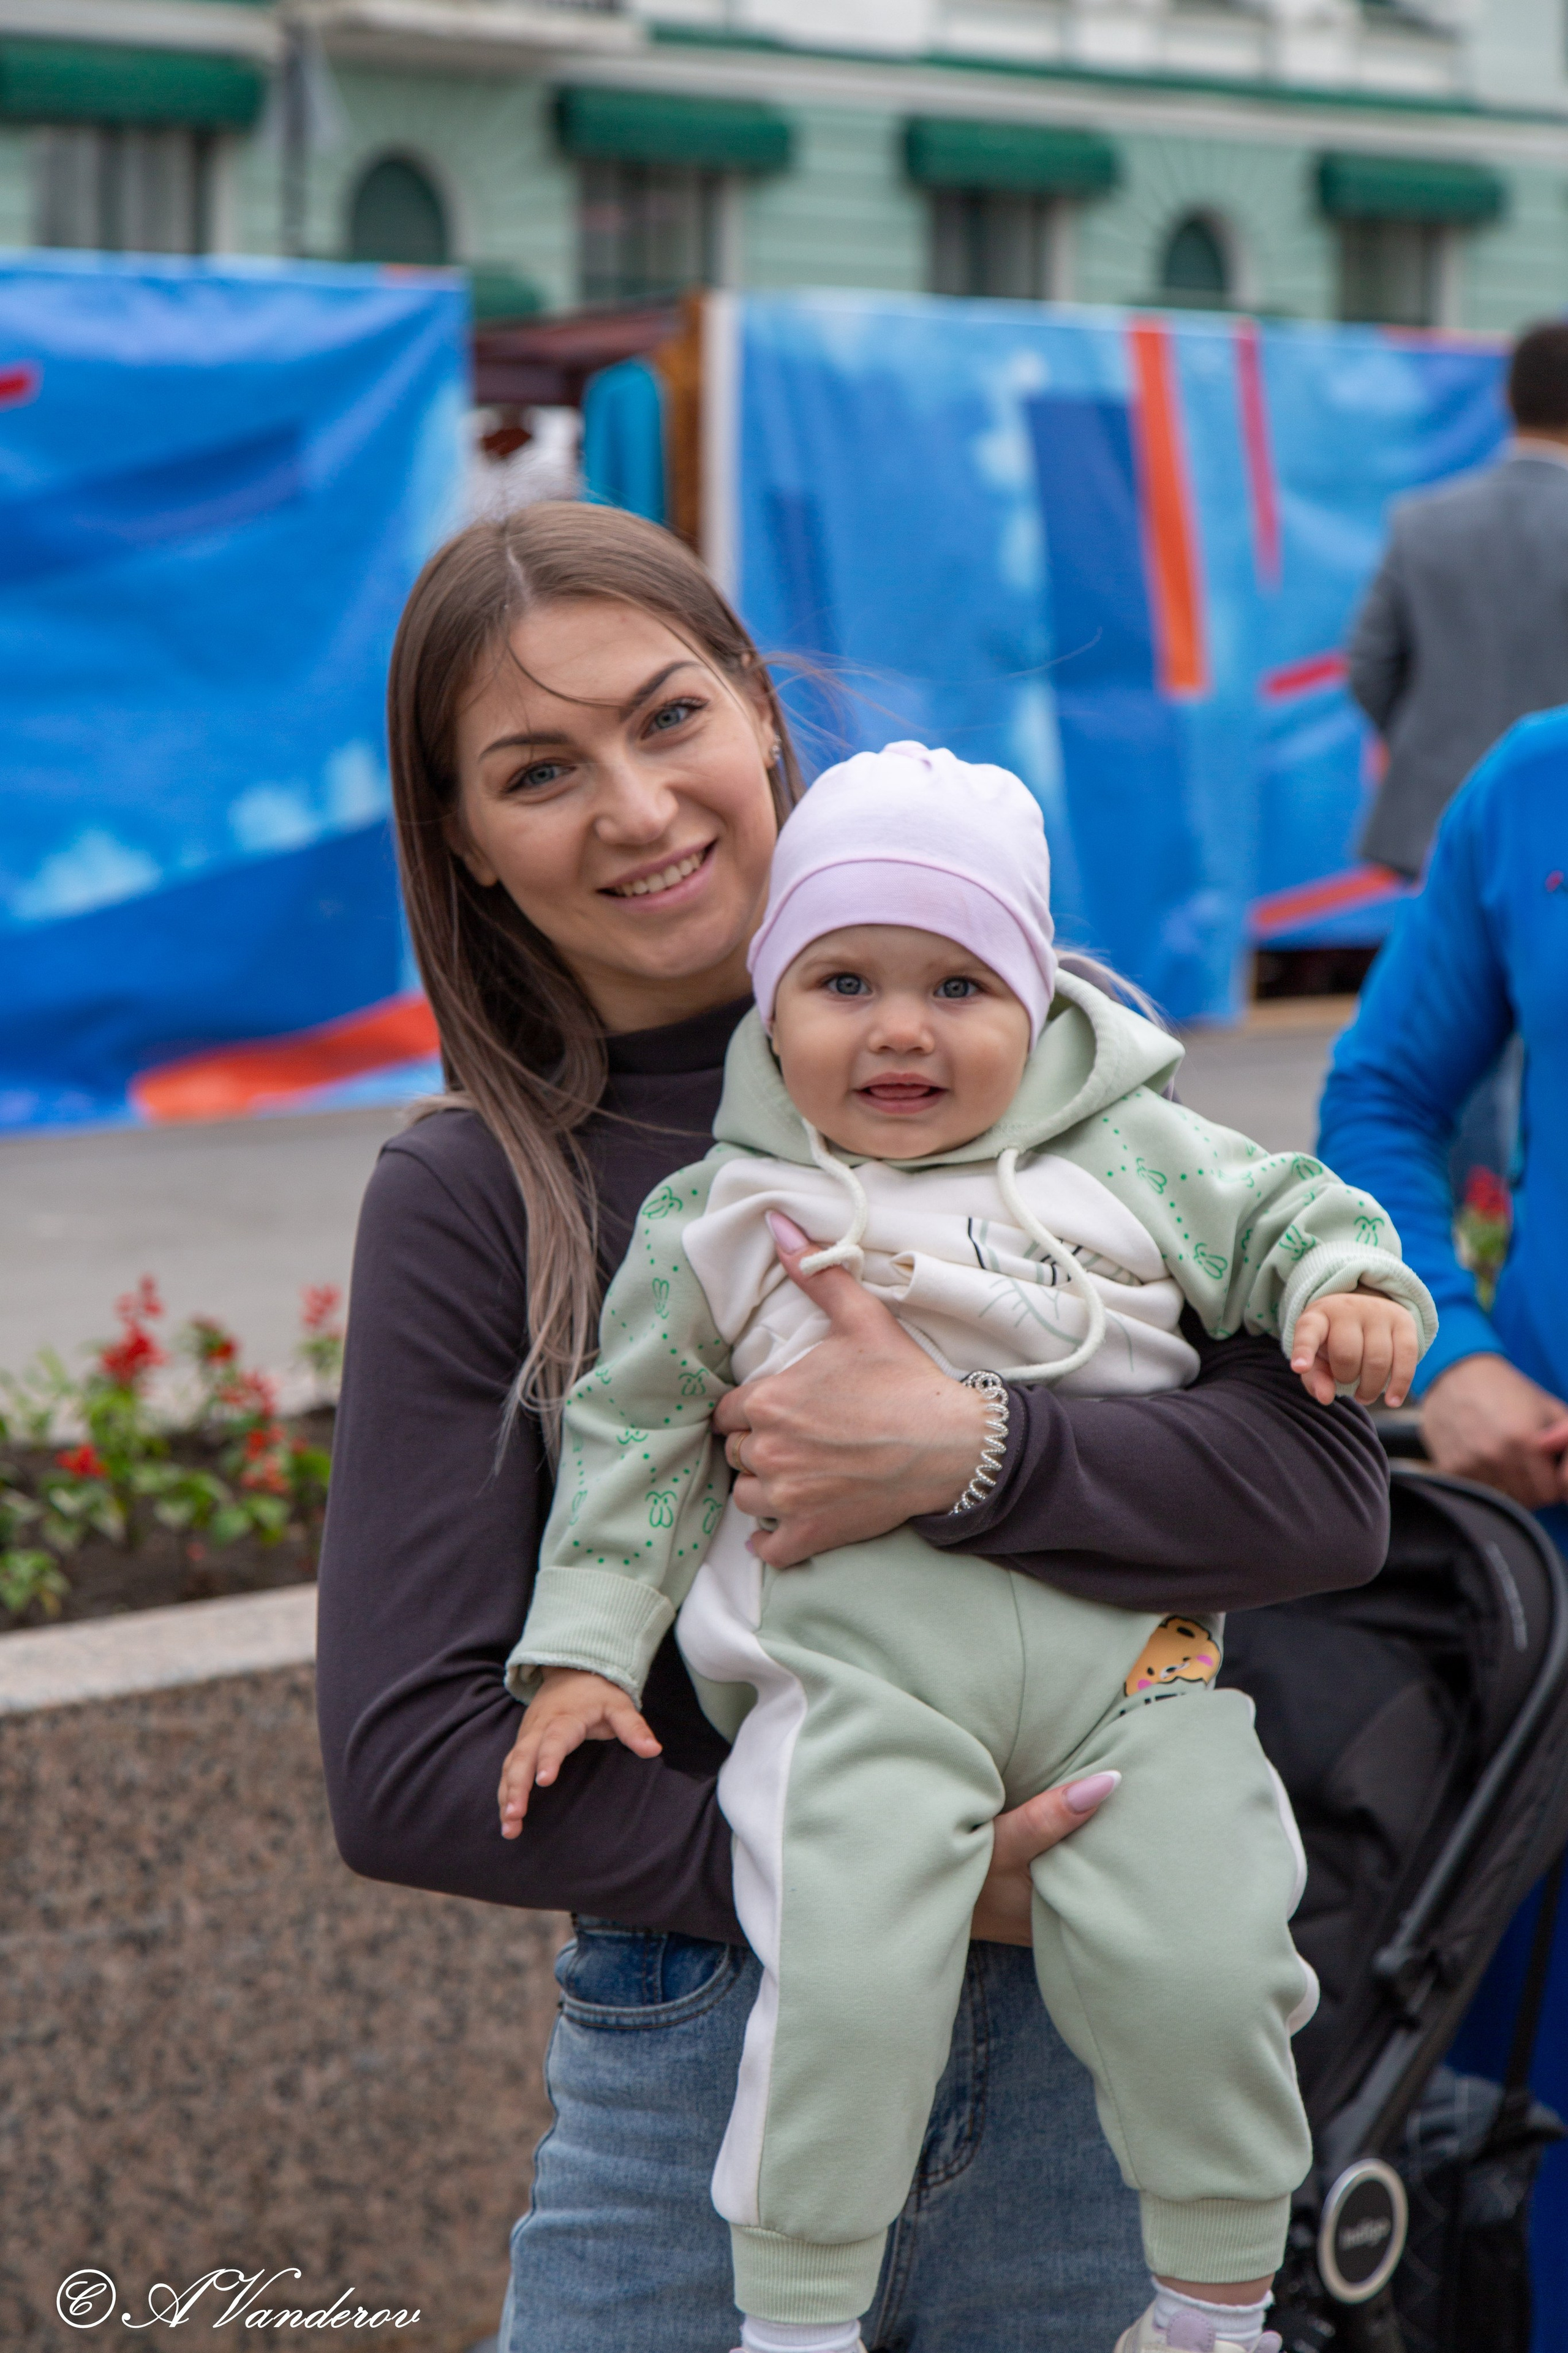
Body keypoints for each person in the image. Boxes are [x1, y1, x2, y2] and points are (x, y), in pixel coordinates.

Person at [315, 504, 1400, 2353]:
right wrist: (848, 1869)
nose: (636, 807)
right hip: (706, 2068)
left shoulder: (1055, 1066)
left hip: (1091, 2069)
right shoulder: (479, 1191)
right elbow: (409, 1759)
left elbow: (1323, 1498)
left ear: (758, 711)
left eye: (667, 717)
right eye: (536, 770)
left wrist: (971, 1451)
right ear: (467, 842)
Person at [1317, 705, 1568, 2316]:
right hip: (1545, 1592)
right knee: (1519, 2115)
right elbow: (1378, 1102)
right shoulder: (1533, 785)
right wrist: (1454, 1352)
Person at [1347, 318, 1568, 880]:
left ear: (1505, 398)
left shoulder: (1422, 521)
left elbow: (1369, 667)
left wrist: (1429, 748)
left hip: (1437, 819)